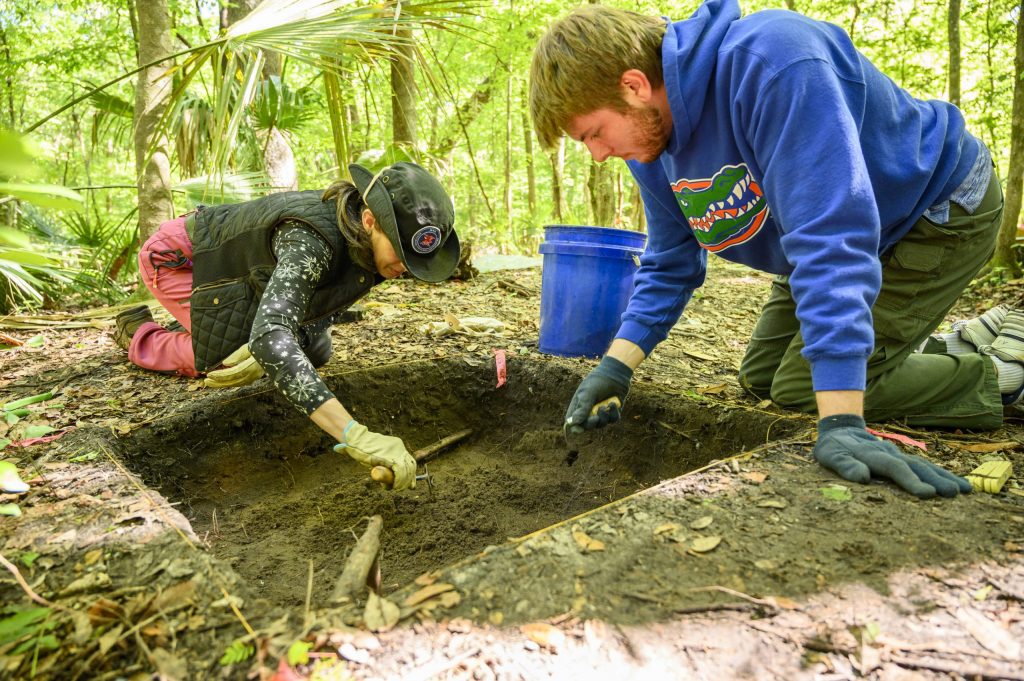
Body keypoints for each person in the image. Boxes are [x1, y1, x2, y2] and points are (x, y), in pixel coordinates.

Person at [530, 0, 1015, 499]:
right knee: (763, 378)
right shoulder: (651, 146)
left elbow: (832, 238)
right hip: (832, 235)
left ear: (633, 86)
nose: (598, 154)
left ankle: (1002, 375)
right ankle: (949, 343)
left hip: (933, 208)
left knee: (806, 388)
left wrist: (844, 422)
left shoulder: (774, 61)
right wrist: (615, 367)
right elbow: (670, 264)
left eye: (594, 133)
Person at [112, 162, 460, 491]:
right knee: (229, 354)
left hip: (241, 278)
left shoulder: (373, 250)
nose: (405, 267)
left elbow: (325, 306)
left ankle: (200, 321)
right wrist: (354, 435)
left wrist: (280, 341)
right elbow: (270, 337)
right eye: (401, 252)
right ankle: (140, 334)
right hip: (181, 259)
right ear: (369, 220)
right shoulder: (311, 241)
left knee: (315, 350)